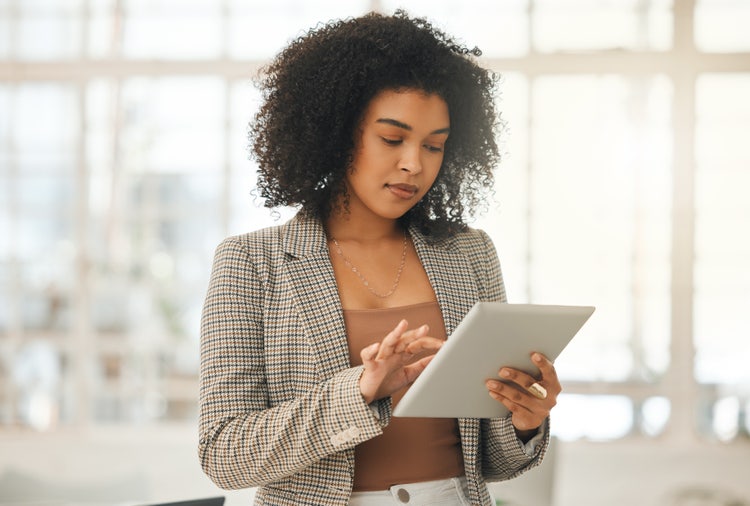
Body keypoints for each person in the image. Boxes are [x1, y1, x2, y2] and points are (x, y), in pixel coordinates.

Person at [199, 10, 561, 506]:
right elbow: (224, 452)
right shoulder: (251, 262)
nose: (414, 163)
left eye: (434, 146)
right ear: (337, 131)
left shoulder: (470, 253)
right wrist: (362, 390)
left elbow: (492, 461)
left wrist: (524, 418)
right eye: (392, 139)